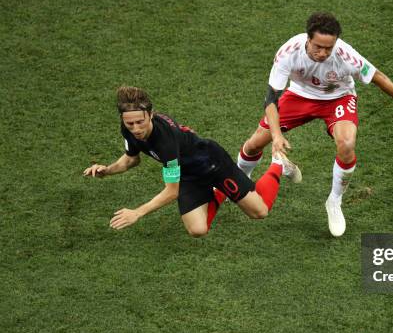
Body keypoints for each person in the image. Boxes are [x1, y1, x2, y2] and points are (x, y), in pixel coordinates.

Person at [236, 12, 393, 237]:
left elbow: (377, 77)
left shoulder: (346, 55)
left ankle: (334, 201)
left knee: (347, 144)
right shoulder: (288, 52)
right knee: (255, 143)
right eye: (318, 47)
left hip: (338, 98)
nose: (323, 53)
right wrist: (276, 136)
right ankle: (238, 179)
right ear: (308, 39)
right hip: (299, 96)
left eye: (328, 48)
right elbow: (271, 99)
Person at [83, 86, 301, 237]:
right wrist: (107, 170)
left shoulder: (165, 142)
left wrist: (137, 212)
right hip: (187, 173)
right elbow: (131, 160)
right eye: (130, 124)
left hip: (212, 163)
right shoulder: (129, 128)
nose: (136, 129)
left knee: (259, 212)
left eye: (140, 122)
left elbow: (171, 191)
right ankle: (217, 192)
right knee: (197, 230)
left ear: (151, 114)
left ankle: (278, 163)